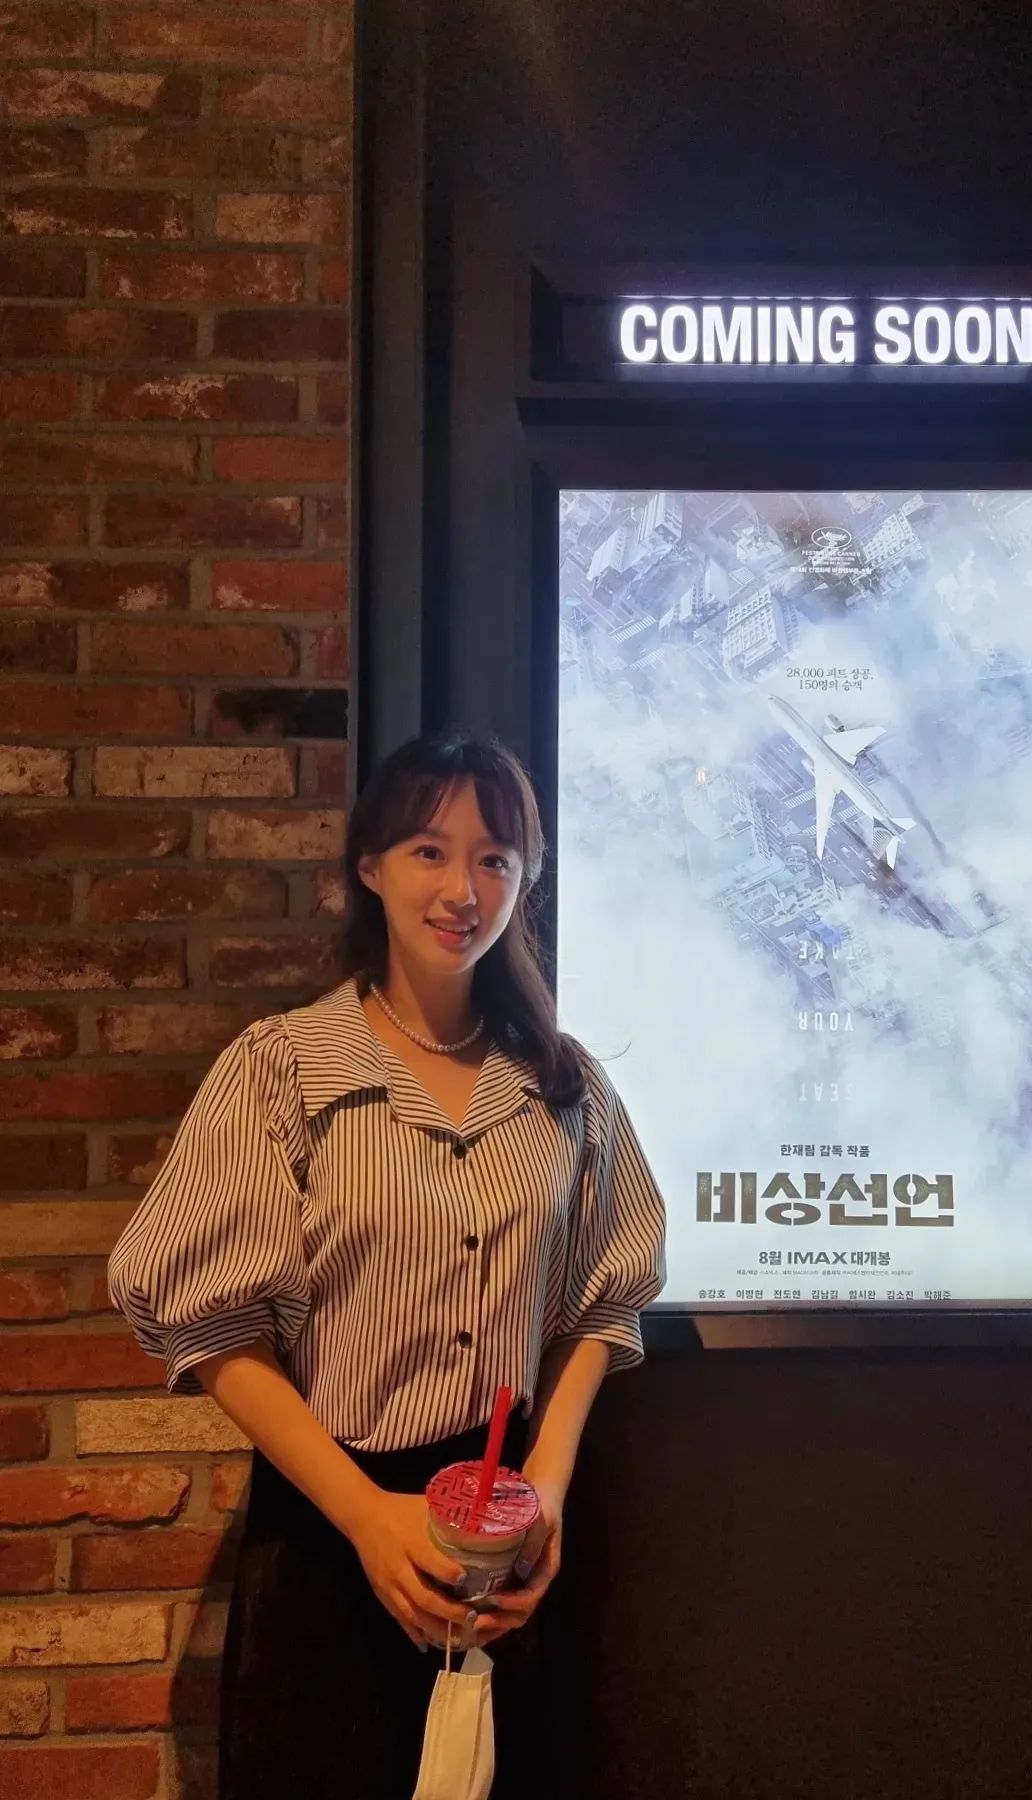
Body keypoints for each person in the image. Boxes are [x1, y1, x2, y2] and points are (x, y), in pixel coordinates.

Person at [108, 731, 667, 1800]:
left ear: (525, 880)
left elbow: (602, 1302)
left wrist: (544, 1494)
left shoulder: (564, 1085)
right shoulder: (280, 1070)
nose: (463, 890)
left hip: (503, 1553)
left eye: (495, 859)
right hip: (329, 1533)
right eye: (429, 851)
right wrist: (367, 1515)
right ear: (370, 866)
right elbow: (207, 1324)